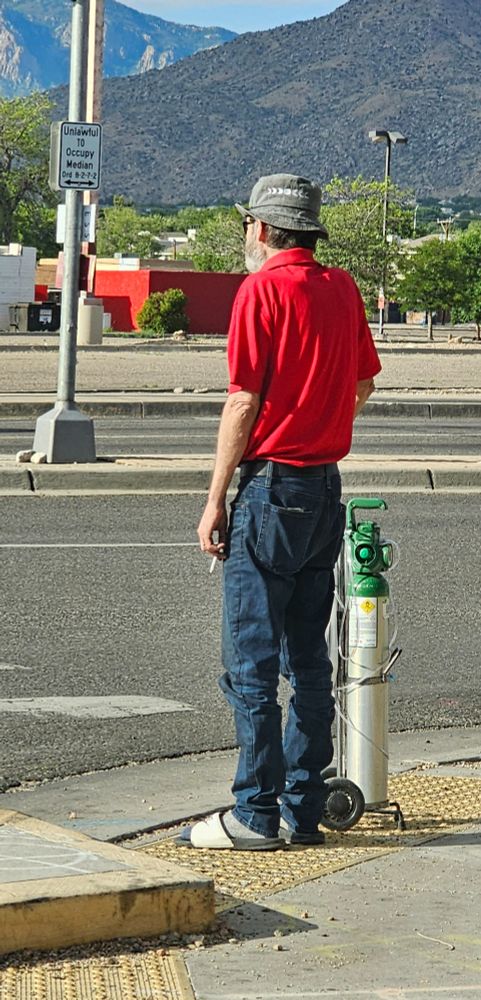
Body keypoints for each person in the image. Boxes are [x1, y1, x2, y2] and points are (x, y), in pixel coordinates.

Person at [178, 173, 381, 851]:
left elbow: (242, 400)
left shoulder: (261, 289)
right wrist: (321, 425)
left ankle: (254, 813)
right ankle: (302, 807)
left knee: (251, 661)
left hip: (270, 488)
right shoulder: (341, 287)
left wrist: (214, 499)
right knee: (308, 657)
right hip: (323, 485)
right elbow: (361, 383)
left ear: (259, 230)